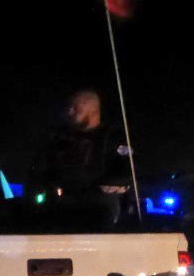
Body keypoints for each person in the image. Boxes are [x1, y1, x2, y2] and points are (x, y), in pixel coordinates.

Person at [36, 90, 130, 222]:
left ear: (93, 110)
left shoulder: (112, 138)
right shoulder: (60, 137)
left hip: (99, 205)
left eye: (76, 108)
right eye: (69, 108)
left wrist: (102, 187)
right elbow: (44, 167)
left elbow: (127, 168)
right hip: (63, 202)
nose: (70, 112)